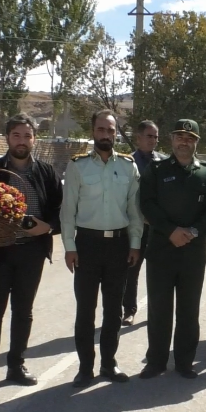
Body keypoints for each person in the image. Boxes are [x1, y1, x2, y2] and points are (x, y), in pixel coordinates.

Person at [0, 114, 63, 393]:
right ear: (7, 138)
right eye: (16, 135)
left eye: (27, 136)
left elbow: (60, 211)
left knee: (23, 312)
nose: (22, 141)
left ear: (34, 139)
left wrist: (48, 228)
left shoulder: (47, 173)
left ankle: (16, 365)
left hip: (32, 253)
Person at [61, 109, 143, 388]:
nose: (106, 135)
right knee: (85, 310)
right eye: (101, 130)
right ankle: (85, 368)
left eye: (111, 130)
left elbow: (134, 210)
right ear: (93, 131)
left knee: (114, 311)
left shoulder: (129, 166)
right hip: (86, 245)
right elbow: (67, 211)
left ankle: (109, 363)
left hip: (119, 245)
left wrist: (134, 244)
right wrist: (69, 247)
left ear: (116, 133)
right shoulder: (78, 166)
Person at [138, 119, 206, 379]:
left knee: (188, 310)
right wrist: (170, 231)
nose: (184, 142)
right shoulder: (156, 169)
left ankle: (185, 361)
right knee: (159, 309)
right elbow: (147, 204)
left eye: (189, 138)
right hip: (161, 250)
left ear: (196, 142)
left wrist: (194, 232)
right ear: (172, 140)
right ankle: (156, 361)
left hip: (192, 253)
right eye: (179, 137)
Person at [121, 119, 166, 327]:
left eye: (156, 136)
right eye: (149, 136)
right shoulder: (127, 164)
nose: (153, 140)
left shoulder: (164, 162)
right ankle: (129, 310)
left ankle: (157, 310)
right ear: (138, 138)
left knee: (158, 272)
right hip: (136, 229)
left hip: (159, 229)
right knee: (132, 271)